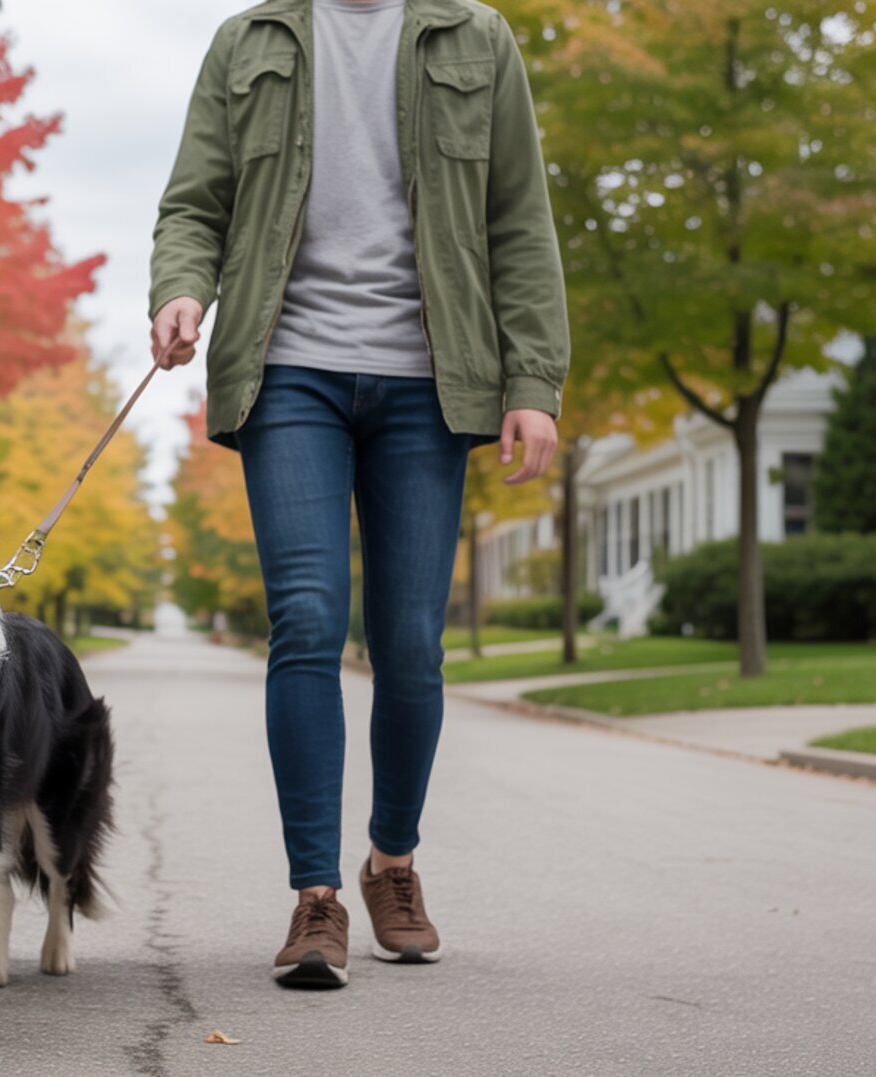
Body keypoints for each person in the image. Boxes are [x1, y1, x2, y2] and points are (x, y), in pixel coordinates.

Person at [149, 0, 568, 988]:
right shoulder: (250, 41)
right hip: (286, 367)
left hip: (431, 377)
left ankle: (392, 859)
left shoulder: (477, 37)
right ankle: (316, 897)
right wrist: (182, 289)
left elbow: (518, 220)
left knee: (410, 641)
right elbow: (193, 204)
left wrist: (533, 384)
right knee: (305, 619)